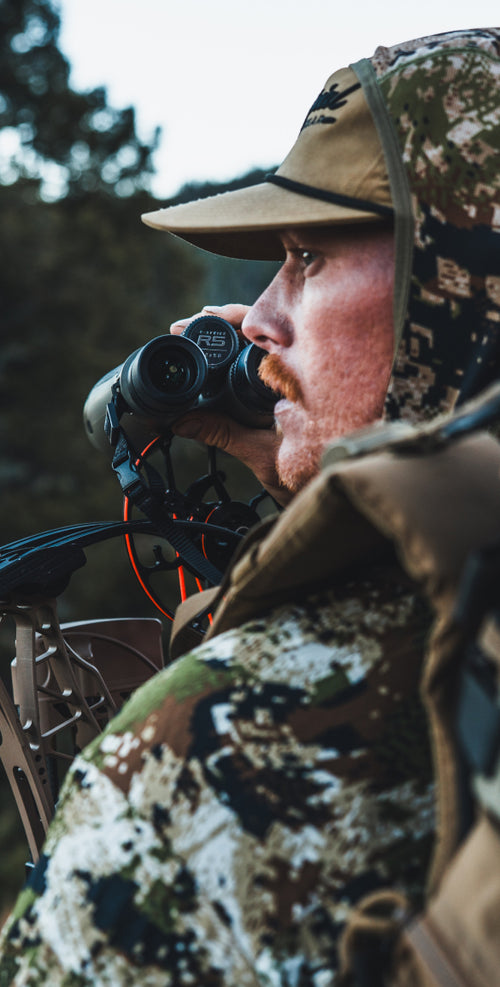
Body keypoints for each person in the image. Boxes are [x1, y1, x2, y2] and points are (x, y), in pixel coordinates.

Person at [1, 26, 500, 987]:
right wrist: (324, 493)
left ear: (456, 284)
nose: (261, 320)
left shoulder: (206, 757)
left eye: (306, 259)